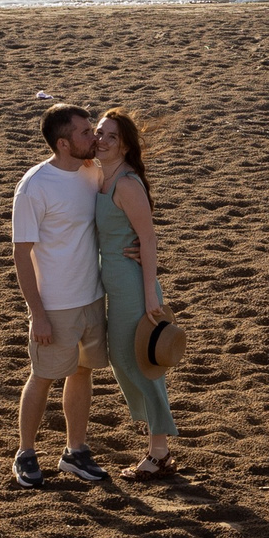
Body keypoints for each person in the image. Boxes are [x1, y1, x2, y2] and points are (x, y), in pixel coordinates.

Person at [10, 103, 109, 487]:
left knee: (82, 372)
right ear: (64, 144)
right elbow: (21, 254)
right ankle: (26, 452)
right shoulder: (34, 186)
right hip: (55, 303)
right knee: (43, 376)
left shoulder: (92, 172)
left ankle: (76, 450)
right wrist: (38, 313)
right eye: (86, 133)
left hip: (91, 297)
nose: (94, 137)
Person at [89, 109, 177, 479]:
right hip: (110, 279)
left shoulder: (126, 183)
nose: (102, 140)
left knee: (138, 362)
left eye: (111, 136)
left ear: (125, 144)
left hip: (132, 284)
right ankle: (158, 444)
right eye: (98, 133)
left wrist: (150, 296)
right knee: (121, 358)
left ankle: (159, 452)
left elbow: (150, 238)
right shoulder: (98, 177)